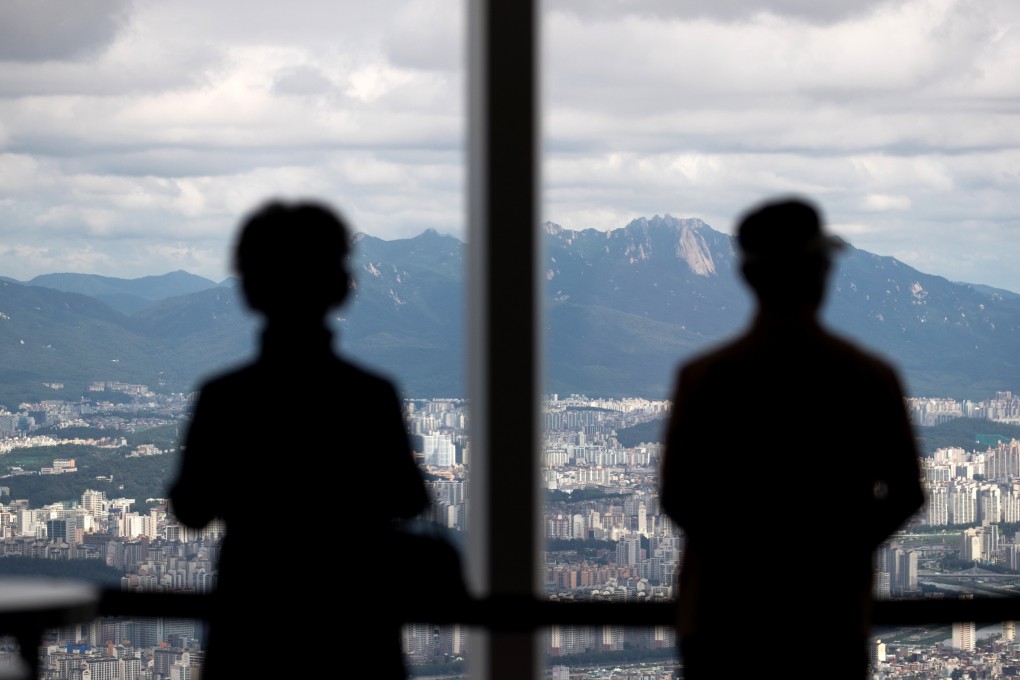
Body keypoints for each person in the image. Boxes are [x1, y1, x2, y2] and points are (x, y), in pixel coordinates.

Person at [660, 197, 925, 679]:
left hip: (722, 617)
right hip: (829, 620)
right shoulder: (868, 378)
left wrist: (747, 558)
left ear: (748, 278)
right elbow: (906, 492)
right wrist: (833, 552)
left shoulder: (705, 379)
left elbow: (678, 496)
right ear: (822, 272)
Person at [168, 200, 430, 679]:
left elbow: (191, 508)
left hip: (252, 623)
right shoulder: (371, 396)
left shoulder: (224, 398)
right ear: (338, 290)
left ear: (248, 290)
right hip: (354, 624)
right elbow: (409, 498)